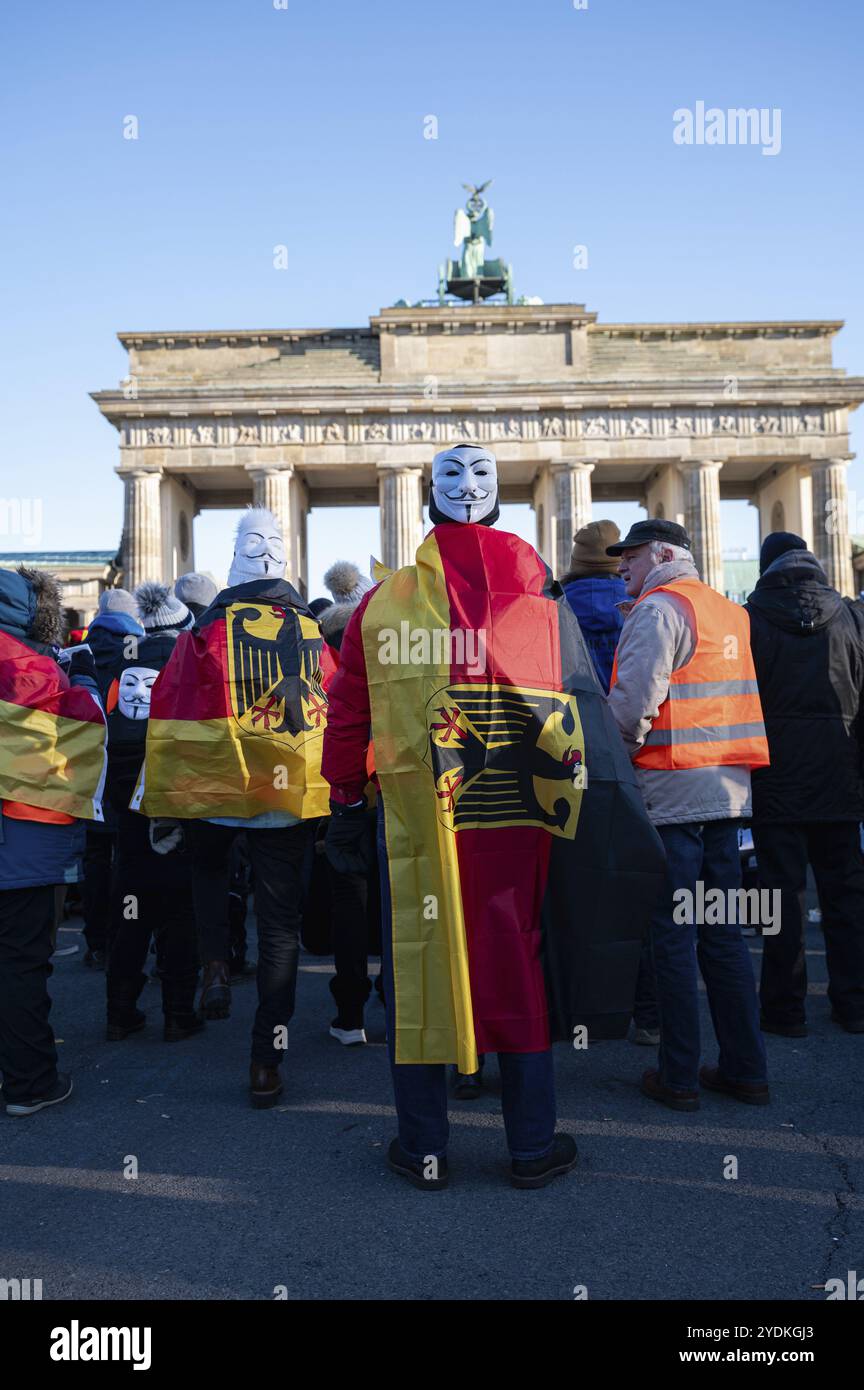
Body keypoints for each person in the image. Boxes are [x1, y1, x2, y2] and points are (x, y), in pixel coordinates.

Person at [322, 444, 664, 1189]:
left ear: (427, 505)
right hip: (521, 818)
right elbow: (582, 708)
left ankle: (424, 1146)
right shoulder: (542, 602)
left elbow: (348, 714)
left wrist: (346, 796)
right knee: (517, 959)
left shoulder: (383, 606)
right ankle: (531, 1145)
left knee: (417, 964)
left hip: (421, 818)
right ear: (499, 505)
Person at [134, 509, 332, 1108]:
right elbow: (331, 708)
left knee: (209, 871)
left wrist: (164, 793)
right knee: (279, 929)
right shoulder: (310, 633)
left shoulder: (202, 631)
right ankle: (265, 1061)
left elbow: (169, 704)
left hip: (215, 791)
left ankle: (215, 961)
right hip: (284, 792)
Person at [607, 519, 771, 1111]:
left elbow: (631, 707)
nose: (622, 567)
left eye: (630, 557)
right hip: (729, 796)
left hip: (672, 796)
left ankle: (678, 1077)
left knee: (672, 939)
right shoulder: (730, 612)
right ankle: (746, 1069)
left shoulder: (659, 610)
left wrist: (614, 763)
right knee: (723, 936)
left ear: (663, 554)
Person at [746, 532, 864, 1035]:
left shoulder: (750, 620)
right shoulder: (851, 617)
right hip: (841, 776)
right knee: (845, 895)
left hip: (775, 778)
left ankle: (783, 1009)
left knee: (780, 897)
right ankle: (855, 1004)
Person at [0, 567, 106, 1115]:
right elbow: (88, 732)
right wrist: (84, 677)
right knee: (21, 963)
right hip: (26, 837)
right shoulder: (36, 670)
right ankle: (29, 1082)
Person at [560, 519, 659, 1048]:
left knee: (574, 889)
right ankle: (645, 1014)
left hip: (569, 766)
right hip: (641, 764)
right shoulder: (648, 608)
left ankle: (578, 1011)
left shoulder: (552, 609)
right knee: (635, 889)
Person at [102, 582, 202, 1043]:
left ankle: (120, 1010)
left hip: (126, 800)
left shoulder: (126, 660)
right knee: (179, 910)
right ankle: (179, 1012)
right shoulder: (188, 661)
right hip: (176, 797)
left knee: (131, 908)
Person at [318, 561, 379, 1046]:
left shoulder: (329, 662)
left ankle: (350, 1014)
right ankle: (400, 1002)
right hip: (402, 792)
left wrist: (344, 794)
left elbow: (340, 732)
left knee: (349, 908)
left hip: (350, 799)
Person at [79, 589, 145, 968]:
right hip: (131, 770)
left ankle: (98, 941)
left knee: (96, 858)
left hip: (91, 771)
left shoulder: (80, 654)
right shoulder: (140, 652)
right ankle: (127, 934)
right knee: (131, 858)